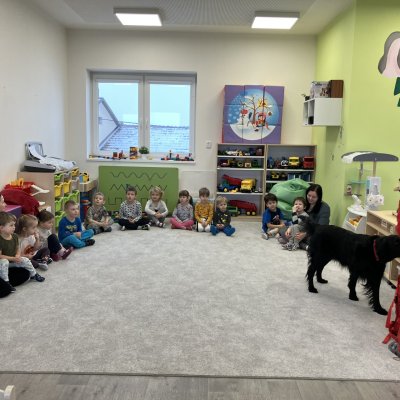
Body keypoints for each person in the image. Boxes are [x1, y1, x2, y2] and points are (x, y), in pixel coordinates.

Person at [0, 212, 45, 292]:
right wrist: (13, 258)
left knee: (25, 260)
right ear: (1, 228)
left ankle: (34, 274)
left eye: (14, 225)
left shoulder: (14, 236)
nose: (14, 227)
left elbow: (17, 248)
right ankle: (6, 283)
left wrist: (17, 255)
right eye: (11, 225)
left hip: (13, 260)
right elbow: (0, 256)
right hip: (4, 263)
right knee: (4, 262)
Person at [280, 184, 330, 250]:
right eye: (309, 195)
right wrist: (289, 229)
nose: (310, 198)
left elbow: (321, 228)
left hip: (314, 233)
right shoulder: (303, 203)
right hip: (299, 229)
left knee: (317, 241)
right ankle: (301, 245)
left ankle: (294, 243)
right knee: (283, 230)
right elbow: (296, 221)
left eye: (314, 197)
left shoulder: (325, 208)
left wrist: (305, 234)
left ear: (319, 197)